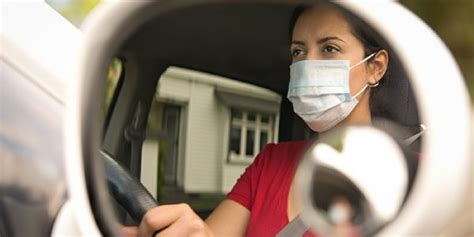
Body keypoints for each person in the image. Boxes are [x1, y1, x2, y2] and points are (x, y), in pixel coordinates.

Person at [123, 2, 419, 236]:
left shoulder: (419, 173)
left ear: (375, 67)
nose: (307, 64)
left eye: (329, 49)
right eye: (298, 51)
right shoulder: (271, 161)